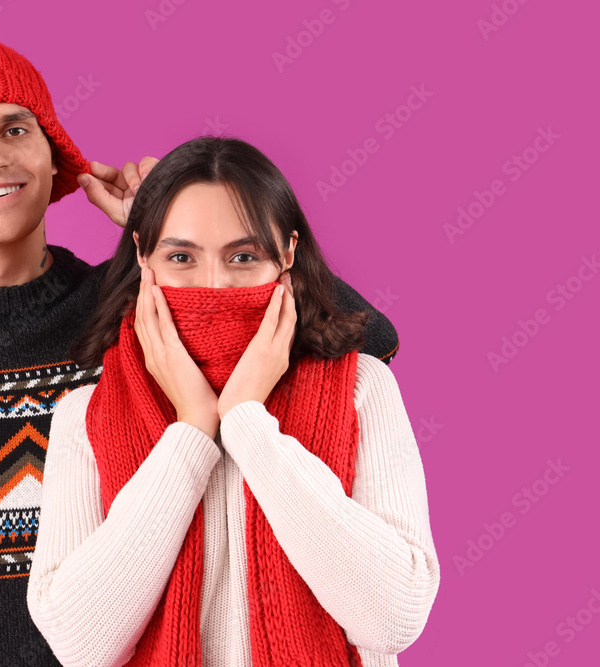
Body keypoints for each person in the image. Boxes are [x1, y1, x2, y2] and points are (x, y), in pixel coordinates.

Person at [0, 15, 400, 667]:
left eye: (15, 128)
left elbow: (364, 339)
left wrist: (165, 224)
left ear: (55, 156)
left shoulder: (130, 312)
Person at [27, 136, 439, 667]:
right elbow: (79, 643)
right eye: (181, 256)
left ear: (287, 254)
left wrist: (248, 423)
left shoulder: (363, 387)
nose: (215, 286)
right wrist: (192, 432)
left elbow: (392, 618)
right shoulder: (86, 413)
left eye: (244, 256)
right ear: (141, 256)